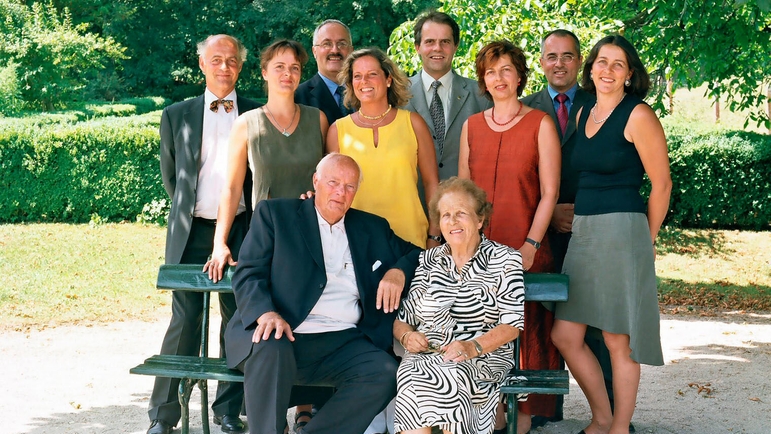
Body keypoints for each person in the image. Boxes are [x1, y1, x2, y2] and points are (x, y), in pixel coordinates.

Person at [224, 153, 422, 434]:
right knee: (271, 347)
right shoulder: (276, 215)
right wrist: (266, 312)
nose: (341, 192)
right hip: (282, 332)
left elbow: (418, 255)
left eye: (350, 186)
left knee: (384, 372)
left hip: (341, 341)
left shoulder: (372, 228)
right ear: (316, 181)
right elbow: (249, 272)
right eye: (333, 182)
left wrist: (397, 271)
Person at [551, 35, 672, 434]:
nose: (607, 70)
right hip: (584, 232)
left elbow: (662, 185)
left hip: (623, 229)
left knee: (618, 340)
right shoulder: (585, 110)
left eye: (618, 64)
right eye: (602, 62)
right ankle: (601, 418)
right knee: (566, 334)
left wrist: (646, 239)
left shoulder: (638, 114)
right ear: (591, 68)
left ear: (630, 74)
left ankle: (619, 428)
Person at [150, 34, 261, 434]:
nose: (224, 67)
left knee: (237, 319)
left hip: (244, 230)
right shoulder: (176, 115)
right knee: (185, 318)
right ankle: (163, 416)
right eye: (216, 59)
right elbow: (173, 180)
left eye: (232, 60)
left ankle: (228, 411)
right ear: (202, 64)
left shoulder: (256, 112)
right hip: (191, 231)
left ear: (241, 66)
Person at [458, 40, 561, 434]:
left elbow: (550, 192)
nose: (498, 78)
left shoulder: (541, 124)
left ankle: (526, 416)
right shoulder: (471, 126)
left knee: (528, 331)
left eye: (505, 70)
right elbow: (465, 194)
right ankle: (488, 413)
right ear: (483, 79)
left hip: (525, 246)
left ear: (519, 76)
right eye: (490, 71)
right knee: (478, 327)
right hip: (479, 252)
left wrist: (531, 246)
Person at [521, 29, 614, 430]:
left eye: (568, 56)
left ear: (580, 62)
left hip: (591, 231)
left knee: (595, 324)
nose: (559, 63)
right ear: (541, 62)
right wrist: (550, 211)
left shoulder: (604, 104)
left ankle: (608, 413)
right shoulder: (523, 108)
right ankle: (544, 412)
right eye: (551, 56)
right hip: (538, 230)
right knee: (541, 323)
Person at [392, 177, 524, 434]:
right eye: (446, 215)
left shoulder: (506, 259)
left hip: (483, 354)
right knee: (409, 376)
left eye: (461, 213)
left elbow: (512, 325)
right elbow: (403, 318)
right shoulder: (429, 260)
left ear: (479, 219)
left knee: (455, 375)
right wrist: (407, 336)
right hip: (429, 354)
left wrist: (472, 347)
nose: (452, 221)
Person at [205, 39, 327, 282]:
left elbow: (333, 180)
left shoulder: (319, 120)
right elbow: (231, 188)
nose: (287, 74)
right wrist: (220, 243)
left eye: (294, 67)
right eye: (279, 66)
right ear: (264, 72)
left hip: (315, 235)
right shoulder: (246, 123)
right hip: (268, 239)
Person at [328, 47, 441, 249]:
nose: (365, 82)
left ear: (388, 79)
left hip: (410, 239)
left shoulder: (413, 123)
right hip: (356, 243)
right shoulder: (338, 130)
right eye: (358, 76)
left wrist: (434, 236)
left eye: (372, 74)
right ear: (351, 83)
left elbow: (432, 182)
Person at [404, 11, 491, 181]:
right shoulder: (397, 94)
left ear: (455, 46)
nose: (437, 48)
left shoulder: (482, 95)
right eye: (430, 42)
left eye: (445, 42)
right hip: (412, 201)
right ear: (417, 47)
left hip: (466, 201)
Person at [295, 19, 354, 125]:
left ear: (351, 50)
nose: (335, 50)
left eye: (342, 44)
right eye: (326, 44)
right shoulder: (297, 97)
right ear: (314, 52)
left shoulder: (366, 91)